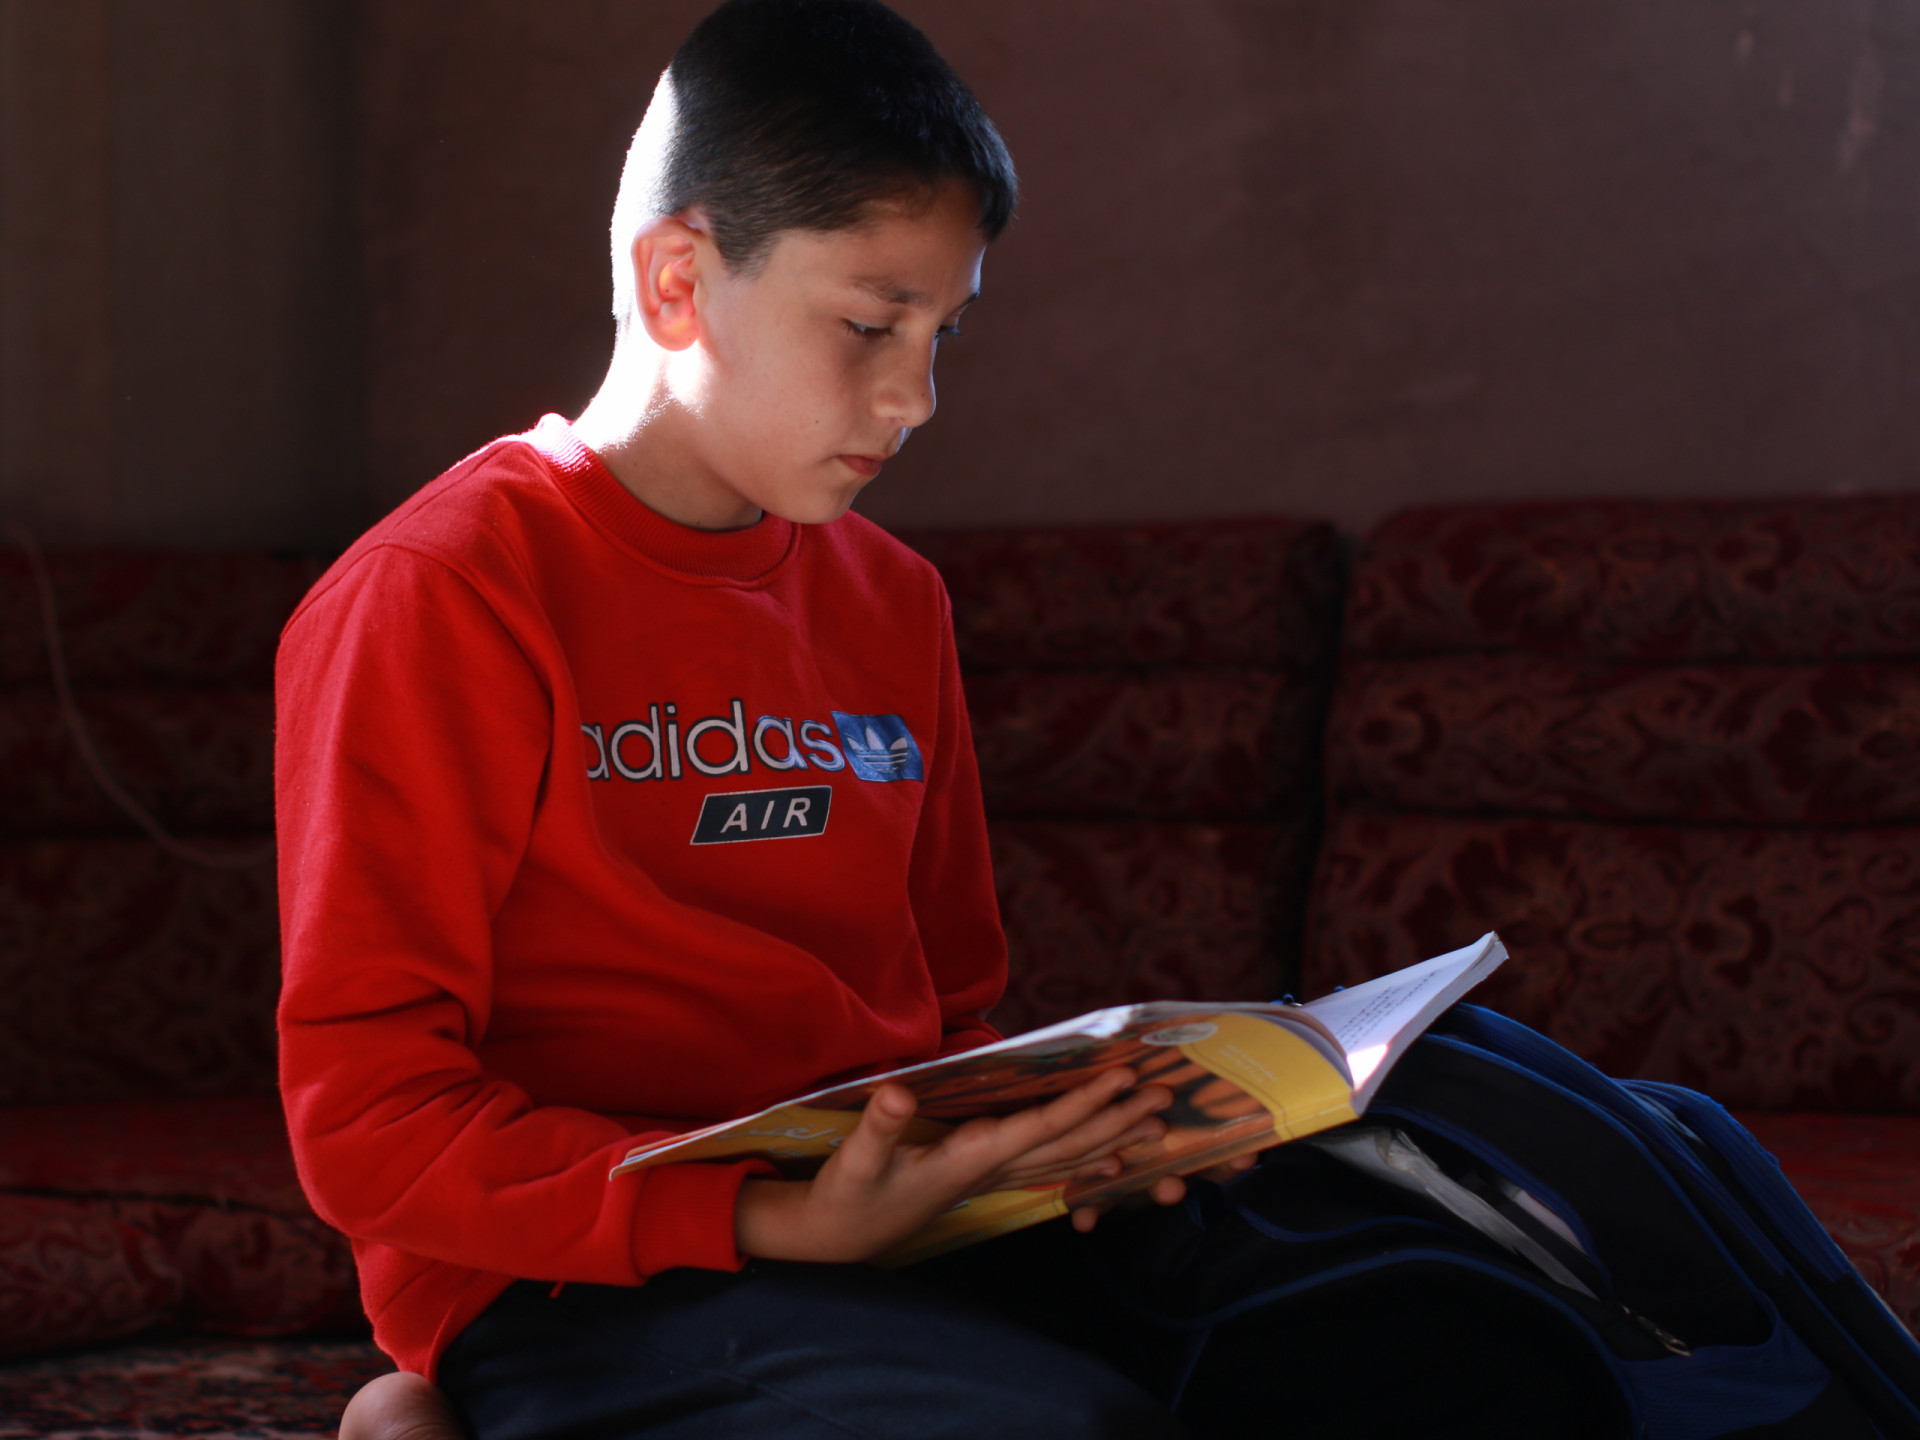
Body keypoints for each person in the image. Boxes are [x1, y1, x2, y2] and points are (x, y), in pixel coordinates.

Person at [282, 3, 1234, 1436]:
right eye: (869, 325)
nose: (915, 396)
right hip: (574, 1276)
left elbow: (951, 1013)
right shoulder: (443, 595)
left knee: (1375, 1316)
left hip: (889, 1227)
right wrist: (776, 1221)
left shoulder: (894, 599)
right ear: (678, 281)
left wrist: (1068, 1135)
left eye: (942, 332)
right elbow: (368, 1125)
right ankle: (421, 1416)